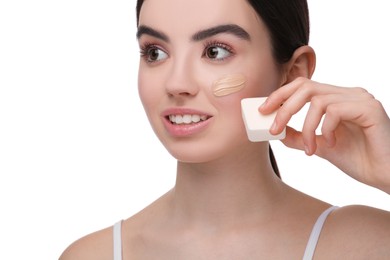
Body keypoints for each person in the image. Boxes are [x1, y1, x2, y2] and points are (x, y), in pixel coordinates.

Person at [59, 0, 390, 259]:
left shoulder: (368, 245)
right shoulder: (93, 256)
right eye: (155, 52)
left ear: (293, 73)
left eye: (214, 51)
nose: (177, 83)